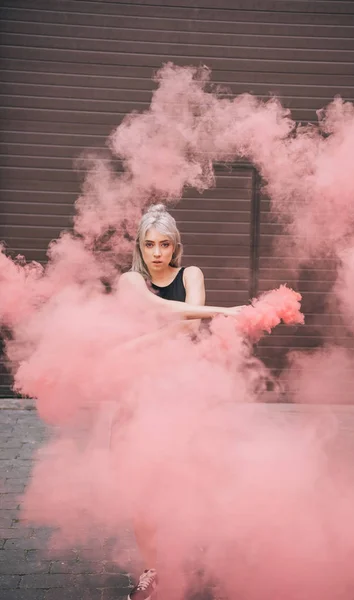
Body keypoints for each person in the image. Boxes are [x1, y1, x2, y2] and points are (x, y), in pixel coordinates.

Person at [118, 204, 244, 600]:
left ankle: (192, 555)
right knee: (140, 486)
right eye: (150, 244)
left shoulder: (190, 274)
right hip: (138, 393)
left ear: (175, 246)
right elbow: (163, 310)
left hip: (181, 390)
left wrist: (134, 345)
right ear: (140, 246)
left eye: (165, 244)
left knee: (189, 479)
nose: (157, 252)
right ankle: (152, 570)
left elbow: (188, 325)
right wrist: (221, 311)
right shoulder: (129, 280)